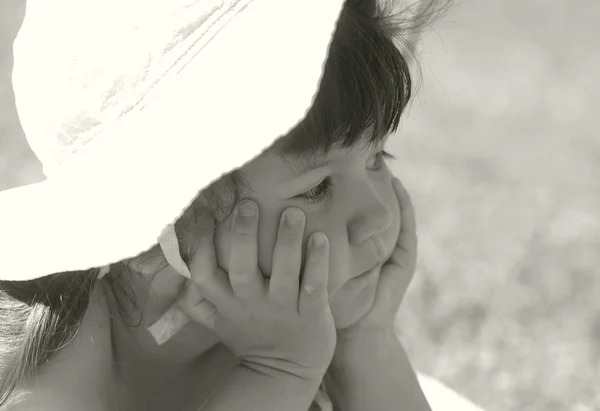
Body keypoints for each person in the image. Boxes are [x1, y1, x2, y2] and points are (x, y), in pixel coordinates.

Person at [0, 0, 484, 410]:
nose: (377, 216)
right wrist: (279, 372)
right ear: (173, 209)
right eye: (317, 189)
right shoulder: (65, 329)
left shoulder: (305, 323)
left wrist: (367, 342)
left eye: (378, 157)